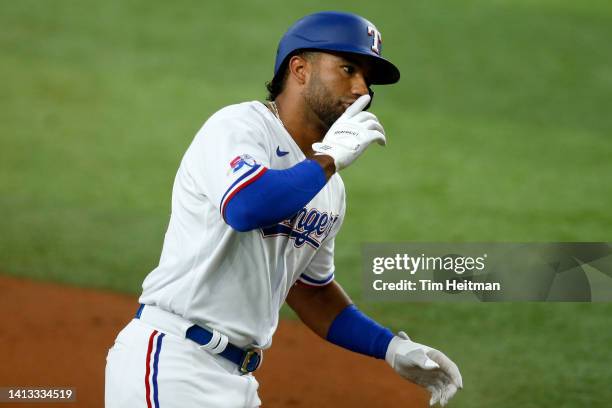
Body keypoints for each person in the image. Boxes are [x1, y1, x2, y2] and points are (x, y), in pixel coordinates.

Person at [105, 11, 462, 408]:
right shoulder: (240, 127)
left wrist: (390, 347)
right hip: (172, 363)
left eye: (368, 79)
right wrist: (330, 160)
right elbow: (245, 207)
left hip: (236, 381)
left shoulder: (330, 188)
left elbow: (310, 289)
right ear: (300, 69)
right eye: (348, 68)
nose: (362, 89)